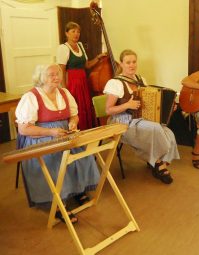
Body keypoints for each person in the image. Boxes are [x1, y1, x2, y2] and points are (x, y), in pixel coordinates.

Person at [15, 64, 100, 223]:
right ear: (41, 78)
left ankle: (77, 190)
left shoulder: (64, 93)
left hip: (64, 134)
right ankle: (57, 202)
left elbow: (74, 115)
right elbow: (24, 129)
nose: (56, 78)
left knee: (83, 156)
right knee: (55, 161)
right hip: (39, 138)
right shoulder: (31, 97)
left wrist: (73, 123)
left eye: (58, 74)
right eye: (51, 75)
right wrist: (51, 132)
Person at [103, 49, 180, 184]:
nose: (132, 65)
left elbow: (151, 102)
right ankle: (158, 164)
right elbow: (108, 110)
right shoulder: (115, 83)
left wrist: (168, 109)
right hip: (122, 121)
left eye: (134, 62)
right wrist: (127, 105)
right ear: (121, 64)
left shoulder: (141, 79)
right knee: (155, 129)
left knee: (169, 133)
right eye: (128, 62)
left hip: (141, 118)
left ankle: (156, 161)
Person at [57, 21, 105, 130]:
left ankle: (86, 130)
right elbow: (61, 70)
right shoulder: (63, 48)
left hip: (83, 81)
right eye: (73, 31)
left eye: (78, 31)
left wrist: (98, 57)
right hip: (72, 82)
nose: (76, 34)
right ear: (67, 33)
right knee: (75, 107)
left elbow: (87, 65)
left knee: (85, 106)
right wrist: (64, 89)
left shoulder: (80, 45)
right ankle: (76, 131)